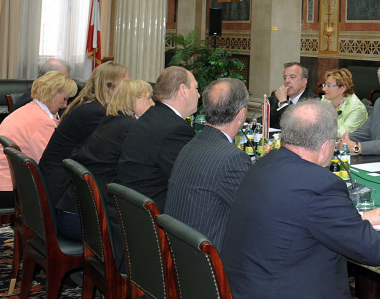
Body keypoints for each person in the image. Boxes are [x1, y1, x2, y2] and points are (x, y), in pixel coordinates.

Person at [221, 100, 380, 298]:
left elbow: (296, 215)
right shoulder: (321, 184)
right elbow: (373, 250)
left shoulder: (261, 165)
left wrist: (360, 217)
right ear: (326, 145)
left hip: (244, 288)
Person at [55, 79, 155, 240]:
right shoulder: (129, 128)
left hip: (71, 211)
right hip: (86, 221)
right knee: (147, 233)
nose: (153, 104)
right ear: (133, 99)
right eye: (148, 98)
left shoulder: (110, 121)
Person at [166, 78, 250, 251]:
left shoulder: (191, 145)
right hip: (208, 258)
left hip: (178, 251)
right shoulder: (233, 158)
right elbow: (254, 213)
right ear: (241, 114)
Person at [0, 72, 77, 208]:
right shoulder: (40, 120)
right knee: (70, 197)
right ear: (53, 93)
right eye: (65, 99)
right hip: (4, 190)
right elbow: (49, 163)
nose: (65, 105)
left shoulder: (30, 109)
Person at [40, 61, 129, 209]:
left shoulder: (88, 104)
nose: (129, 89)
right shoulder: (95, 112)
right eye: (126, 83)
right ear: (111, 87)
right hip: (62, 189)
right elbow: (106, 157)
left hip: (58, 178)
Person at [115, 66, 199, 211]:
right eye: (196, 88)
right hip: (150, 215)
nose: (198, 95)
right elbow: (192, 180)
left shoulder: (151, 116)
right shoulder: (175, 129)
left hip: (130, 209)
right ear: (183, 90)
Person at [267, 62, 318, 129]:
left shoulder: (311, 100)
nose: (287, 81)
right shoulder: (280, 96)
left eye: (292, 77)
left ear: (304, 81)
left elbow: (295, 126)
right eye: (285, 78)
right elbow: (268, 120)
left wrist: (283, 103)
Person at [320, 68, 368, 136]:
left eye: (329, 85)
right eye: (325, 85)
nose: (323, 89)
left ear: (342, 88)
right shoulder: (325, 100)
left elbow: (341, 134)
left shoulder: (357, 109)